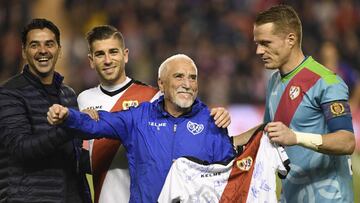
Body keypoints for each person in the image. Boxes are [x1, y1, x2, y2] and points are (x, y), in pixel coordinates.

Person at [48, 54, 235, 202]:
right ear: (161, 84)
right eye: (179, 76)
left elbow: (230, 178)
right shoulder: (139, 118)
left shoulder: (212, 123)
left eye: (192, 78)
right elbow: (96, 124)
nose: (187, 84)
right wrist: (67, 116)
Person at [252, 4, 355, 202]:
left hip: (329, 197)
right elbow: (265, 132)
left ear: (290, 39)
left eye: (265, 43)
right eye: (257, 43)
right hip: (291, 195)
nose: (258, 50)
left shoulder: (326, 81)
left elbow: (347, 141)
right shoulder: (273, 81)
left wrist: (295, 137)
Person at [0, 18, 91, 203]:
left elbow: (73, 155)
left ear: (59, 49)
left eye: (49, 44)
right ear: (24, 52)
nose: (43, 51)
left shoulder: (68, 94)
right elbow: (21, 148)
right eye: (35, 45)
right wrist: (71, 125)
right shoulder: (9, 93)